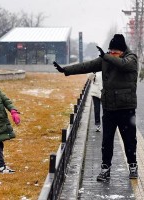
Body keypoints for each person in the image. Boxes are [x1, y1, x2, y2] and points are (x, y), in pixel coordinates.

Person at [53, 34, 138, 182]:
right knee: (106, 141)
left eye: (114, 52)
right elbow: (87, 66)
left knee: (129, 140)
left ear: (122, 51)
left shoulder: (131, 58)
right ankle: (105, 169)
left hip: (126, 108)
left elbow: (124, 65)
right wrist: (66, 70)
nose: (112, 54)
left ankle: (133, 166)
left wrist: (106, 56)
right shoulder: (106, 59)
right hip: (109, 107)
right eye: (110, 51)